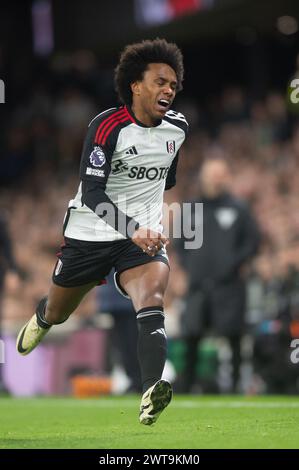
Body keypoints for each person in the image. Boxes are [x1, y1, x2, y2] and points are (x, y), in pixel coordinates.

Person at [16, 38, 188, 425]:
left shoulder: (177, 130)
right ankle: (43, 317)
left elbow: (168, 178)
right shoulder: (107, 126)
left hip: (140, 238)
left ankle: (149, 391)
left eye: (173, 85)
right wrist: (132, 227)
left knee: (153, 297)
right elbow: (92, 192)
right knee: (60, 311)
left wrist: (146, 224)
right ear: (136, 86)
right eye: (160, 81)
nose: (168, 90)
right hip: (90, 234)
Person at [178, 158, 260, 393]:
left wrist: (233, 264)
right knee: (191, 337)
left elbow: (252, 242)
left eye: (220, 174)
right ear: (203, 177)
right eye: (212, 174)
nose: (216, 179)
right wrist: (190, 267)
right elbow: (181, 245)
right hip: (197, 286)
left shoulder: (239, 208)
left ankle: (235, 386)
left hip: (229, 286)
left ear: (227, 178)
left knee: (233, 336)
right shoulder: (190, 208)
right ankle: (187, 387)